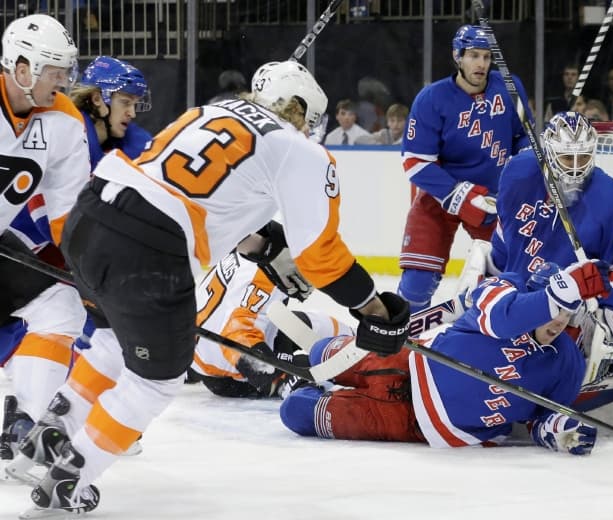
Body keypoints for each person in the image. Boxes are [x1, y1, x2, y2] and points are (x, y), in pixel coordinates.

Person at [9, 60, 410, 517]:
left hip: (91, 215)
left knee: (108, 342)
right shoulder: (301, 150)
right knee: (155, 383)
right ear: (300, 110)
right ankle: (67, 484)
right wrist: (372, 307)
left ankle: (50, 431)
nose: (309, 131)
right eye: (310, 122)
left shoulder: (207, 113)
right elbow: (320, 256)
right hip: (149, 248)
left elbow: (188, 188)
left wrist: (261, 240)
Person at [280, 260, 608, 453]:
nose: (559, 321)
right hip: (407, 364)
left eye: (568, 312)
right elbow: (501, 319)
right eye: (555, 308)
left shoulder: (566, 362)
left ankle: (304, 388)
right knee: (319, 353)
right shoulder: (502, 294)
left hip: (420, 426)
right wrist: (552, 297)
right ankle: (305, 364)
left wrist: (557, 431)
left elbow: (541, 419)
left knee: (296, 412)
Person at [0, 56, 153, 464]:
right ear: (101, 99)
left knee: (72, 318)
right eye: (126, 101)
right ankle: (35, 417)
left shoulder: (122, 140)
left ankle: (31, 420)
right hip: (31, 247)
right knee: (70, 318)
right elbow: (50, 207)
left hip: (51, 251)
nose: (132, 111)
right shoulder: (68, 129)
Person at [0, 15, 88, 462]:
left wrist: (91, 268)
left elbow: (69, 214)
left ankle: (26, 429)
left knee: (61, 303)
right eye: (54, 72)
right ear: (20, 68)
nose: (63, 82)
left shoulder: (64, 121)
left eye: (64, 71)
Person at [397, 24, 531, 313]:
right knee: (416, 283)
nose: (481, 64)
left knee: (508, 276)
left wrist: (525, 164)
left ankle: (493, 336)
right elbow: (415, 162)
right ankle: (403, 342)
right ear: (457, 56)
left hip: (494, 201)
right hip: (441, 197)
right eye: (473, 55)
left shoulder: (509, 86)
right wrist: (460, 196)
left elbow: (523, 136)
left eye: (486, 56)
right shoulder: (431, 99)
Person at [487, 111, 613, 352]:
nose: (575, 169)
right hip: (517, 298)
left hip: (569, 310)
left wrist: (612, 320)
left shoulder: (611, 197)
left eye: (583, 157)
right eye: (566, 158)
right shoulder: (518, 174)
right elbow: (505, 236)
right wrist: (491, 280)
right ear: (550, 153)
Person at [192, 237, 353, 399]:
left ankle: (356, 340)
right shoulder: (262, 284)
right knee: (316, 367)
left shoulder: (256, 254)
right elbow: (235, 335)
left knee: (303, 323)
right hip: (225, 375)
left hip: (201, 346)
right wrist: (278, 378)